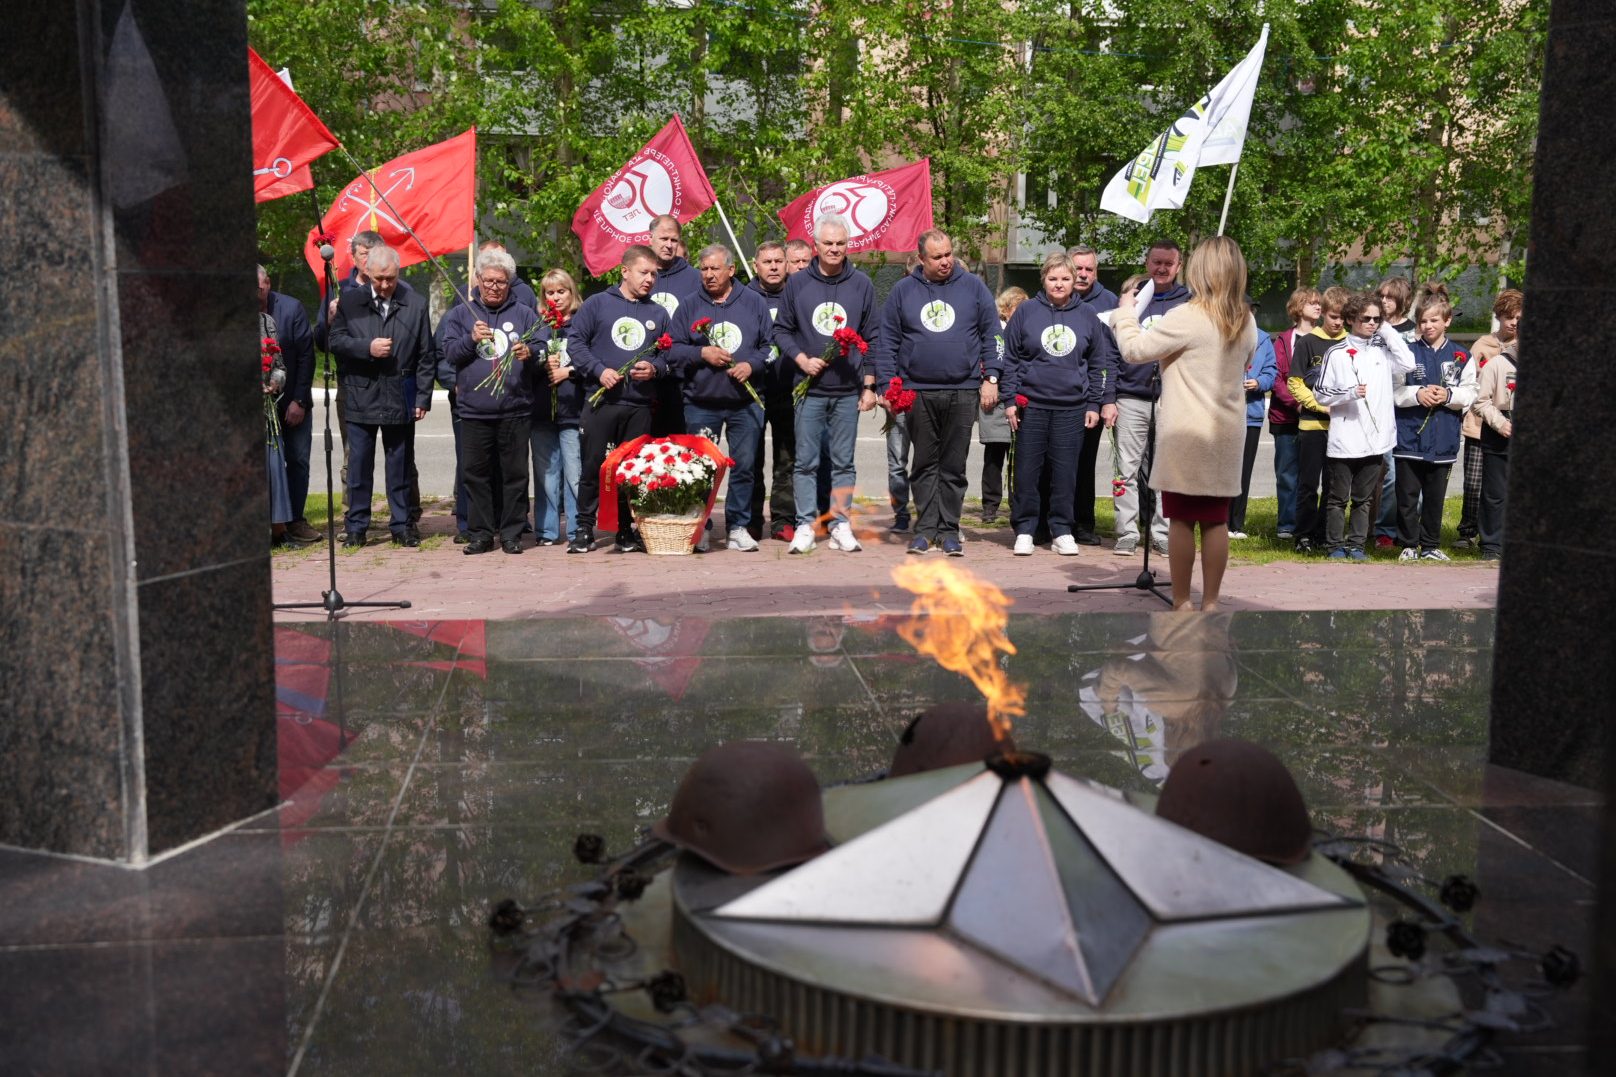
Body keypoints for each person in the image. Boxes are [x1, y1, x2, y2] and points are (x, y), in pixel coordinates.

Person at [1112, 235, 1257, 610]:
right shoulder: (1246, 319)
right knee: (1215, 521)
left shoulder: (1188, 316)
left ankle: (1181, 600)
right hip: (1225, 432)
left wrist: (1125, 313)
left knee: (1180, 521)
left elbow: (1134, 350)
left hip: (1187, 432)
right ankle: (1210, 601)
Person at [878, 228, 1001, 557]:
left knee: (953, 465)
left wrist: (992, 378)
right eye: (937, 257)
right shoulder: (903, 291)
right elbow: (887, 341)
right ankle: (925, 529)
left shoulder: (974, 287)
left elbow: (993, 334)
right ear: (921, 259)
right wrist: (886, 385)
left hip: (963, 389)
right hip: (917, 391)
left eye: (948, 254)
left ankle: (949, 529)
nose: (946, 261)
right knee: (924, 463)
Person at [775, 213, 879, 554]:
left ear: (848, 245)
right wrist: (801, 359)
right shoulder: (798, 283)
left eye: (841, 244)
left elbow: (872, 336)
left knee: (844, 462)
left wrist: (869, 385)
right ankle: (806, 524)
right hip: (809, 390)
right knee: (805, 462)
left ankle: (840, 523)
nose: (835, 249)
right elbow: (782, 330)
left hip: (847, 390)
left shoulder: (861, 284)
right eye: (828, 244)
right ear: (816, 245)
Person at [327, 245, 437, 547]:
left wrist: (422, 398)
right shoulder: (350, 302)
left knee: (400, 464)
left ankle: (402, 526)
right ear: (367, 274)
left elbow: (426, 355)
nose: (385, 285)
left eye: (390, 278)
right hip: (361, 393)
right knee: (359, 465)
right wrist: (367, 348)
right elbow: (334, 341)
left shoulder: (414, 303)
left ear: (398, 273)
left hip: (400, 394)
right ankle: (356, 528)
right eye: (378, 279)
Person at [999, 253, 1107, 556]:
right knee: (1028, 471)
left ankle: (1062, 529)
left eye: (1065, 279)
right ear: (1043, 280)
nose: (1059, 284)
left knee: (1065, 472)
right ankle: (1025, 529)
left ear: (1074, 281)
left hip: (1072, 407)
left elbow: (1098, 363)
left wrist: (1093, 404)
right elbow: (1011, 359)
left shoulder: (1087, 316)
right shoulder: (1026, 312)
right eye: (1053, 278)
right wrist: (1010, 400)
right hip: (1031, 406)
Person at [568, 244, 672, 554]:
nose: (650, 279)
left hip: (638, 405)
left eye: (654, 274)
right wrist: (599, 371)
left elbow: (670, 357)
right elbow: (576, 344)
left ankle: (626, 531)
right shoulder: (597, 304)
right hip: (601, 401)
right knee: (592, 467)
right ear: (624, 271)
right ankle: (584, 529)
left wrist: (654, 368)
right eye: (644, 272)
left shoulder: (658, 312)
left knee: (632, 471)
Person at [670, 244, 772, 551]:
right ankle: (700, 526)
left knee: (744, 467)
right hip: (701, 403)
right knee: (699, 469)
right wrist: (701, 352)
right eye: (704, 269)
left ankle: (738, 527)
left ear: (731, 270)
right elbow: (671, 349)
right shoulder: (689, 305)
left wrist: (750, 365)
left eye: (715, 269)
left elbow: (772, 348)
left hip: (745, 403)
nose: (709, 275)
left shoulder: (754, 302)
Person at [441, 249, 539, 554]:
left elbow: (543, 344)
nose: (494, 287)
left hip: (515, 408)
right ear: (477, 280)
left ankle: (511, 533)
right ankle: (481, 533)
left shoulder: (524, 313)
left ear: (509, 283)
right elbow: (449, 354)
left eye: (501, 282)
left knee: (515, 475)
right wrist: (470, 339)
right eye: (488, 281)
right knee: (475, 474)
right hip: (473, 410)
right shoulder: (461, 314)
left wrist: (531, 352)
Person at [1313, 292, 1416, 560]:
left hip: (1375, 438)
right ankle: (1334, 544)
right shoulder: (1336, 353)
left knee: (1364, 497)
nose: (1371, 323)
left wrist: (1387, 329)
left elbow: (1408, 363)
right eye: (1366, 319)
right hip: (1346, 438)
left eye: (1376, 319)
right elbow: (1321, 393)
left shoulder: (1382, 349)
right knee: (1338, 498)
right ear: (1351, 319)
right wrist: (1348, 392)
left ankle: (1357, 545)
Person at [1111, 240, 1189, 557]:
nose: (1161, 269)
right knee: (1125, 469)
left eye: (1168, 264)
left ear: (1179, 266)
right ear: (1147, 263)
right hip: (1131, 396)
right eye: (1156, 262)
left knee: (1167, 469)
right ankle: (1127, 532)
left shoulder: (1188, 303)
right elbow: (1111, 347)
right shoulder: (1133, 300)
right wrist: (1107, 397)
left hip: (1172, 397)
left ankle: (1161, 532)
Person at [1392, 282, 1475, 561]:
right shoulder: (1406, 352)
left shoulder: (1462, 355)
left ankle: (1430, 545)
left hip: (1443, 438)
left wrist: (1448, 394)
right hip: (1409, 435)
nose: (1428, 326)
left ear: (1447, 321)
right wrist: (1418, 393)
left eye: (1434, 321)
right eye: (1423, 321)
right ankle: (1407, 544)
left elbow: (1471, 393)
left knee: (1435, 496)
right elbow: (1393, 390)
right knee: (1407, 495)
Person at [1286, 285, 1350, 553]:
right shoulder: (1308, 342)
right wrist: (1321, 406)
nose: (1338, 322)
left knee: (1335, 486)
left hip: (1343, 427)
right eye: (1334, 316)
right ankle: (1303, 535)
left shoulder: (1351, 343)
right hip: (1313, 425)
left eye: (1343, 317)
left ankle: (1327, 534)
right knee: (1308, 484)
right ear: (1323, 313)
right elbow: (1295, 382)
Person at [258, 266, 318, 544]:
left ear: (268, 283)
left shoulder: (290, 310)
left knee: (297, 459)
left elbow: (305, 358)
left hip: (291, 399)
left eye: (258, 288)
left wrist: (298, 400)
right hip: (260, 409)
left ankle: (294, 521)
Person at [1458, 289, 1522, 548]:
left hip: (1507, 422)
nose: (1513, 322)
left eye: (1518, 317)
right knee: (1474, 483)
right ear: (1499, 317)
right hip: (1479, 424)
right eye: (1508, 317)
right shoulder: (1484, 345)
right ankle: (1467, 530)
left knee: (1501, 486)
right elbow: (1472, 384)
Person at [1068, 244, 1121, 544]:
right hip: (1059, 396)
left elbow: (1113, 356)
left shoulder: (1109, 301)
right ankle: (1052, 521)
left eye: (1089, 269)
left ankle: (1083, 524)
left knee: (1085, 463)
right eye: (1078, 269)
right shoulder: (1057, 295)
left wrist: (1107, 398)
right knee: (1055, 463)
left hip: (1092, 398)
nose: (1083, 275)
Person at [745, 240, 796, 542]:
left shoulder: (797, 295)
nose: (774, 266)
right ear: (756, 265)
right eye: (767, 262)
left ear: (787, 264)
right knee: (751, 458)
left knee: (787, 458)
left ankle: (782, 519)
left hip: (789, 389)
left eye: (779, 261)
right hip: (754, 390)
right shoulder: (743, 297)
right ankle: (752, 519)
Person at [531, 268, 584, 547]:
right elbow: (526, 362)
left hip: (572, 409)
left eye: (561, 291)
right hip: (541, 410)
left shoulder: (582, 324)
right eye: (549, 293)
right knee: (546, 474)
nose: (555, 297)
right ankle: (547, 530)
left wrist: (569, 371)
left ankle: (577, 529)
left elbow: (591, 361)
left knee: (575, 474)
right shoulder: (538, 326)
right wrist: (541, 364)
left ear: (571, 292)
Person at [1368, 275, 1418, 549]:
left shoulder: (1412, 331)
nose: (1385, 302)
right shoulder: (1373, 327)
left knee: (1410, 472)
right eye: (1382, 296)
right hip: (1380, 408)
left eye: (1391, 297)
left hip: (1408, 407)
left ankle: (1409, 528)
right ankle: (1384, 529)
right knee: (1388, 474)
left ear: (1402, 300)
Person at [646, 215, 706, 436]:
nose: (669, 245)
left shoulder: (695, 279)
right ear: (649, 237)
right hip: (646, 377)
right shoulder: (639, 274)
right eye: (664, 238)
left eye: (674, 240)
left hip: (683, 379)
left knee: (681, 449)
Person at [1269, 287, 1319, 540]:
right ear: (1298, 307)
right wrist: (1298, 404)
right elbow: (1278, 378)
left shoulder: (1324, 339)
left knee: (1312, 476)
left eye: (1319, 303)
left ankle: (1310, 524)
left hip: (1319, 416)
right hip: (1287, 418)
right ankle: (1287, 524)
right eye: (1312, 303)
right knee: (1287, 473)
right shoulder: (1283, 340)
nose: (1318, 307)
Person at [978, 286, 1027, 524]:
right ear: (1007, 310)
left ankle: (1016, 503)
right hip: (996, 402)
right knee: (994, 456)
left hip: (1019, 401)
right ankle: (990, 505)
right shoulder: (996, 331)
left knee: (1018, 459)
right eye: (1019, 308)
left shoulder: (1025, 330)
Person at [1229, 302, 1277, 538]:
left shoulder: (1263, 339)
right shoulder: (1223, 334)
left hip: (1251, 414)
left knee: (1244, 470)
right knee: (1224, 469)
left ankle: (1236, 524)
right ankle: (1217, 521)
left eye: (1250, 311)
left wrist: (1259, 383)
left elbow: (1271, 372)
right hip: (1225, 414)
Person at [1471, 338, 1517, 562]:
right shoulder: (1497, 364)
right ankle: (1491, 544)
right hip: (1500, 436)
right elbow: (1480, 402)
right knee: (1495, 494)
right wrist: (1500, 423)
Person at [259, 307, 294, 544]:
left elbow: (280, 365)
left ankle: (279, 531)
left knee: (274, 467)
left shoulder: (265, 321)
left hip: (267, 408)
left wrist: (274, 383)